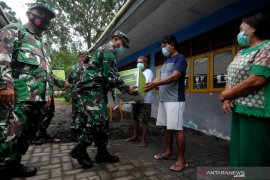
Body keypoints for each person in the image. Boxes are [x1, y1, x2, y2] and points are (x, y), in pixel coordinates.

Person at [0, 2, 66, 178]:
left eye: (48, 18)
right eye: (41, 14)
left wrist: (49, 93)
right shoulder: (15, 29)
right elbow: (2, 56)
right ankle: (3, 166)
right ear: (30, 14)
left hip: (39, 98)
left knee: (28, 134)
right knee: (9, 135)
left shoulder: (43, 44)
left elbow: (46, 73)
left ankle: (15, 164)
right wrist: (5, 85)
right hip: (19, 96)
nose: (45, 20)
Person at [69, 30, 138, 168]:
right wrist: (126, 89)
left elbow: (108, 76)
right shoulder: (108, 49)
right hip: (92, 89)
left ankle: (101, 152)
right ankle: (80, 149)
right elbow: (110, 75)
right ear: (116, 39)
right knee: (97, 119)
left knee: (103, 121)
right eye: (122, 43)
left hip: (98, 90)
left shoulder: (109, 51)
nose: (122, 47)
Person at [219, 12, 270, 167]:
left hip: (256, 108)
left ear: (253, 28)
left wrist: (227, 94)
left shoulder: (267, 46)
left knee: (253, 154)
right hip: (238, 107)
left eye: (242, 28)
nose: (239, 32)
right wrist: (227, 96)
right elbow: (231, 76)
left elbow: (257, 79)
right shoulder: (241, 51)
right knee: (239, 151)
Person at [144, 35, 188, 172]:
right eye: (162, 46)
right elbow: (160, 78)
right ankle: (168, 152)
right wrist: (149, 85)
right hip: (164, 99)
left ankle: (182, 160)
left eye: (164, 46)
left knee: (177, 128)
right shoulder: (166, 60)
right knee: (166, 127)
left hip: (175, 99)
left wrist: (155, 83)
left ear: (172, 45)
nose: (163, 49)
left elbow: (175, 76)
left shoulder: (180, 58)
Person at [125, 56, 153, 147]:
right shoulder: (136, 73)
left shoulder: (148, 72)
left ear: (145, 64)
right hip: (136, 98)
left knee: (144, 120)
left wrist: (134, 90)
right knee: (135, 118)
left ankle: (143, 140)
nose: (138, 64)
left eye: (140, 62)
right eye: (138, 62)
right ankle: (135, 136)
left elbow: (146, 85)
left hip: (145, 100)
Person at [68, 51, 90, 141]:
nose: (87, 59)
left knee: (75, 112)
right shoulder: (87, 68)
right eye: (86, 57)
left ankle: (73, 133)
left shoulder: (73, 68)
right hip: (84, 95)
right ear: (82, 57)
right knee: (83, 113)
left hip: (74, 94)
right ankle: (80, 133)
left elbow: (69, 80)